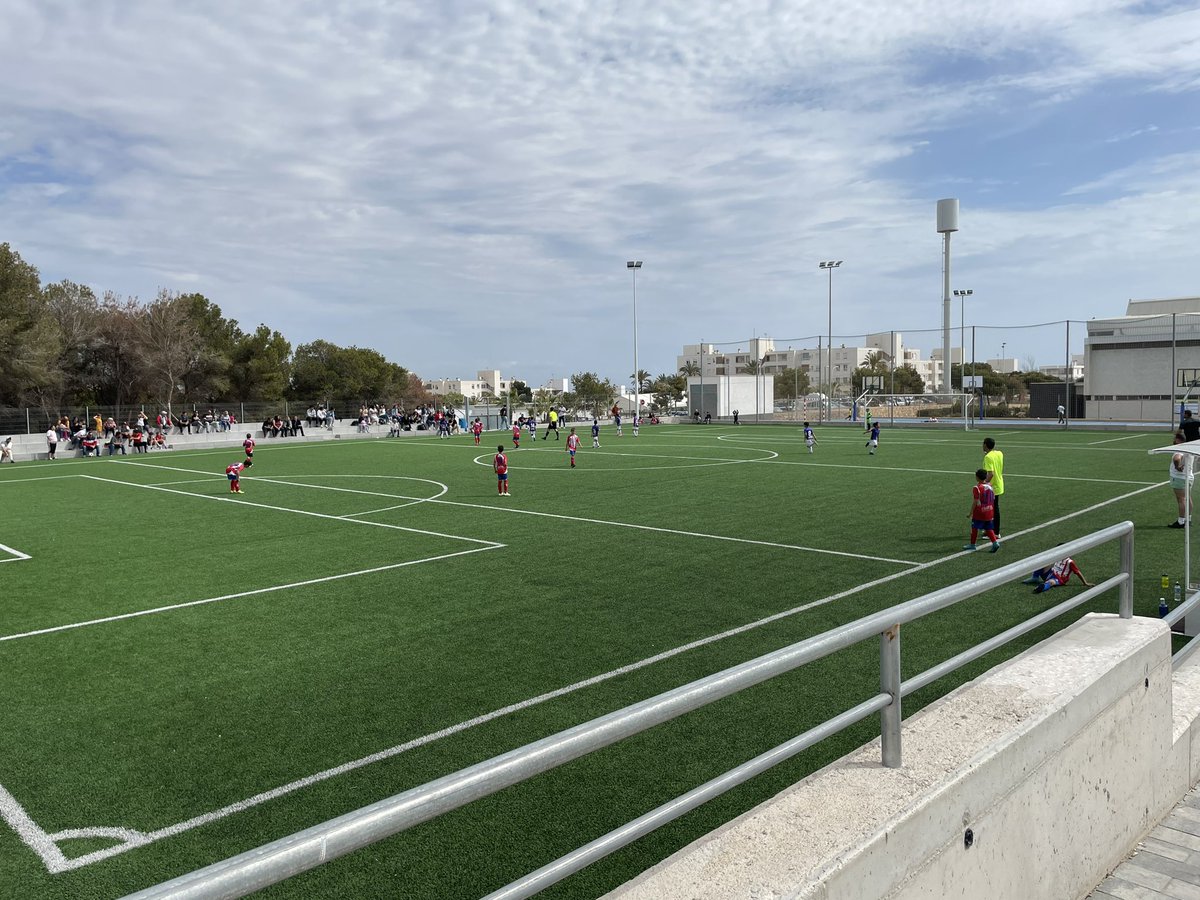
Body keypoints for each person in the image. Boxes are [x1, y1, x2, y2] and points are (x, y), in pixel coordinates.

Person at [963, 469, 1000, 552]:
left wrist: (971, 513)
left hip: (980, 512)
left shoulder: (977, 488)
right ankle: (995, 543)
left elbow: (975, 501)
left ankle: (972, 544)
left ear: (977, 477)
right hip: (990, 511)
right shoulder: (990, 485)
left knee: (974, 528)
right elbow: (993, 497)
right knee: (988, 528)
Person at [1023, 557, 1094, 593]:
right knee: (1042, 561)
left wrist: (1085, 583)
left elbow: (1077, 572)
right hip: (1051, 573)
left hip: (1059, 579)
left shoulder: (1070, 562)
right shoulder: (1057, 556)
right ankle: (1035, 577)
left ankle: (1041, 588)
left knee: (1051, 582)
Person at [1170, 429, 1194, 528]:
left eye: (1175, 438)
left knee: (1181, 499)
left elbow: (1177, 458)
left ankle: (1181, 521)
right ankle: (1188, 519)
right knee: (1188, 498)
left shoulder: (1179, 449)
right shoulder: (1189, 448)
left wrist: (1177, 466)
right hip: (1189, 477)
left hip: (1179, 478)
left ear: (1178, 440)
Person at [982, 437, 1005, 537]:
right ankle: (990, 529)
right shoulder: (999, 453)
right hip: (999, 484)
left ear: (986, 445)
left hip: (992, 487)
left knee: (992, 510)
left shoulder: (988, 458)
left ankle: (995, 532)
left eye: (983, 443)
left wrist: (983, 484)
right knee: (992, 509)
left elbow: (990, 474)